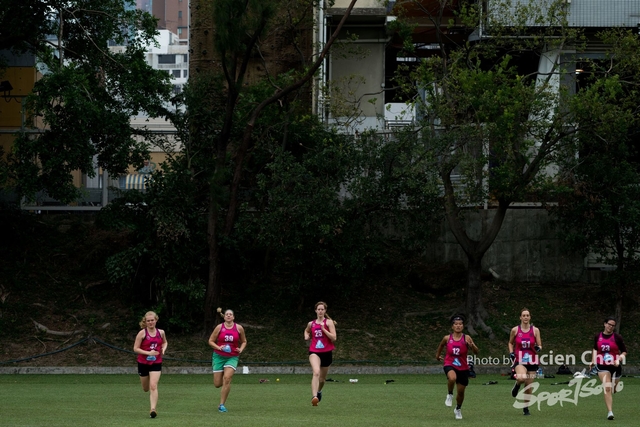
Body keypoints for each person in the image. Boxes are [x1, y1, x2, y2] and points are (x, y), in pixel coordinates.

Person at [435, 314, 479, 420]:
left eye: (460, 324)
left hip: (463, 368)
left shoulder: (467, 338)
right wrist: (437, 355)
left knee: (460, 392)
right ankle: (449, 394)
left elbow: (476, 352)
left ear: (463, 326)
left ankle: (458, 409)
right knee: (452, 378)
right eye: (456, 324)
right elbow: (441, 345)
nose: (458, 326)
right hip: (449, 364)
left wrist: (472, 345)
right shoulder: (447, 338)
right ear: (452, 326)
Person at [208, 308, 247, 413]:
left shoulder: (239, 328)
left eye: (231, 314)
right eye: (227, 314)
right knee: (217, 384)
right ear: (224, 317)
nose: (229, 316)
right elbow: (211, 341)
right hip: (218, 357)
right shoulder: (219, 327)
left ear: (233, 317)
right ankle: (225, 383)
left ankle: (221, 405)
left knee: (227, 378)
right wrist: (218, 347)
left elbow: (244, 341)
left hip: (232, 357)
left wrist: (241, 349)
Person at [588, 316, 627, 421]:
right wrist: (593, 360)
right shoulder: (598, 336)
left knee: (614, 389)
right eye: (609, 324)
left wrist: (619, 359)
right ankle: (610, 412)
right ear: (604, 324)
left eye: (613, 325)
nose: (610, 327)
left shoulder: (617, 337)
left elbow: (624, 351)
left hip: (615, 365)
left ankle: (615, 386)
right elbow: (595, 349)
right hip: (602, 365)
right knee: (607, 387)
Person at [133, 311, 168, 419]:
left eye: (152, 320)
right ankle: (147, 389)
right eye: (148, 321)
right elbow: (135, 348)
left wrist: (163, 349)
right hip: (143, 362)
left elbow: (165, 342)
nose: (150, 322)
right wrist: (148, 353)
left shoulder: (161, 332)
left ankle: (153, 409)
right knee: (145, 388)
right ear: (145, 322)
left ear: (156, 320)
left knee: (153, 386)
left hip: (156, 362)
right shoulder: (142, 333)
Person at [508, 307, 542, 416]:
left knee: (528, 387)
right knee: (522, 377)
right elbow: (510, 343)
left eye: (527, 315)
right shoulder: (515, 330)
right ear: (520, 317)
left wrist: (538, 348)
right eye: (524, 315)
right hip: (520, 359)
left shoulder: (535, 330)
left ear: (530, 317)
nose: (526, 317)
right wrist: (511, 352)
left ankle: (526, 408)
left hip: (532, 361)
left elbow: (540, 345)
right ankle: (517, 385)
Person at [304, 301, 337, 406]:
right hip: (314, 351)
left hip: (327, 352)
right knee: (316, 372)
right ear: (315, 311)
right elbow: (307, 330)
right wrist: (306, 336)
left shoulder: (329, 322)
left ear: (325, 311)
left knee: (322, 380)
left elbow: (334, 338)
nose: (320, 311)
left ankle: (319, 391)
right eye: (318, 309)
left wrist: (324, 329)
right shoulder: (311, 323)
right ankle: (314, 397)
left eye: (322, 309)